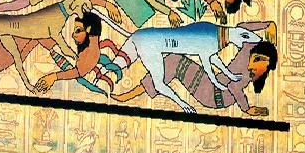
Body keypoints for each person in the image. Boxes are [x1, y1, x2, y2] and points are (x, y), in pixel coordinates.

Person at [113, 21, 278, 116]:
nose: (255, 63)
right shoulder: (251, 47)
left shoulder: (248, 73)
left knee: (174, 61)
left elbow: (234, 87)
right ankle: (132, 92)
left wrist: (246, 109)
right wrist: (267, 25)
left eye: (261, 63)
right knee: (174, 59)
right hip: (211, 84)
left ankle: (131, 94)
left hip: (214, 95)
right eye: (258, 59)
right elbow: (241, 27)